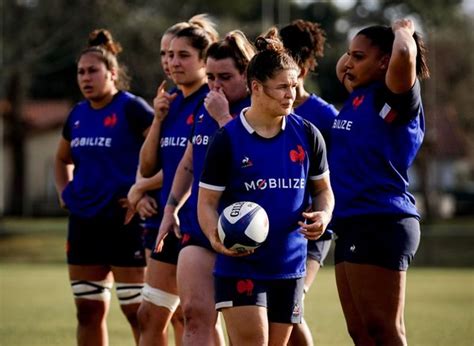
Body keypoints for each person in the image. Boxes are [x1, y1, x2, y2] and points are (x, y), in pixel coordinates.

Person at [197, 32, 334, 345]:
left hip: (289, 264)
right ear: (256, 87)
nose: (292, 93)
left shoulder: (308, 134)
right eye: (283, 87)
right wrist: (216, 240)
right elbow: (206, 202)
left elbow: (324, 191)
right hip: (240, 263)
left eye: (293, 84)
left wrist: (324, 215)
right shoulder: (228, 139)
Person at [330, 19, 429, 345]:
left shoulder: (396, 97)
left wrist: (403, 30)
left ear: (385, 61)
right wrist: (355, 52)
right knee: (360, 331)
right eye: (350, 55)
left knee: (383, 329)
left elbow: (403, 52)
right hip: (350, 221)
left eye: (359, 56)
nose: (349, 63)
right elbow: (340, 69)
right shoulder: (359, 94)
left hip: (380, 220)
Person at [54, 29, 154, 345]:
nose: (85, 78)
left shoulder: (132, 108)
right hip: (84, 223)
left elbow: (166, 151)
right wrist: (65, 192)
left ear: (112, 73)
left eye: (92, 71)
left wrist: (143, 190)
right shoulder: (78, 114)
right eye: (81, 72)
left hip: (125, 223)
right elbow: (61, 159)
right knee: (87, 311)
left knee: (139, 314)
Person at [155, 30, 255, 346]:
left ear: (248, 75)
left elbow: (258, 161)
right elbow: (188, 163)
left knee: (250, 335)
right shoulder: (206, 107)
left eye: (225, 76)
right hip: (200, 229)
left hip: (247, 234)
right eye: (210, 76)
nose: (215, 85)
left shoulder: (259, 109)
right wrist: (171, 208)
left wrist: (224, 117)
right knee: (194, 315)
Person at [136, 16, 219, 346]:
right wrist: (157, 119)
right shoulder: (169, 101)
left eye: (183, 55)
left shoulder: (211, 101)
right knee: (150, 316)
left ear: (204, 58)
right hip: (166, 223)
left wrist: (140, 187)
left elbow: (196, 168)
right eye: (168, 55)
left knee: (196, 318)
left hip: (197, 225)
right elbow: (147, 165)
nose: (172, 62)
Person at [274, 19, 339, 346]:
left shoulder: (325, 116)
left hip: (310, 230)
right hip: (272, 228)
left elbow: (334, 177)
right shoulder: (257, 108)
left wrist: (322, 211)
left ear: (303, 65)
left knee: (291, 307)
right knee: (279, 310)